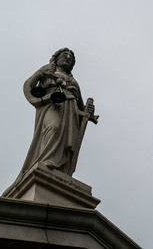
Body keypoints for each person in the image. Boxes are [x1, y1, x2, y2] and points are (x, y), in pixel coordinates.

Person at [6, 48, 96, 192]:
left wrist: (87, 110)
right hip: (51, 104)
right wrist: (41, 73)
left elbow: (80, 107)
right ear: (56, 58)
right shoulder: (48, 71)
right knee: (53, 127)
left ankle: (59, 167)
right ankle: (46, 160)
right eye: (64, 55)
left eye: (70, 58)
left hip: (69, 112)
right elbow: (29, 85)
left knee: (65, 136)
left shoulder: (74, 81)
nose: (67, 58)